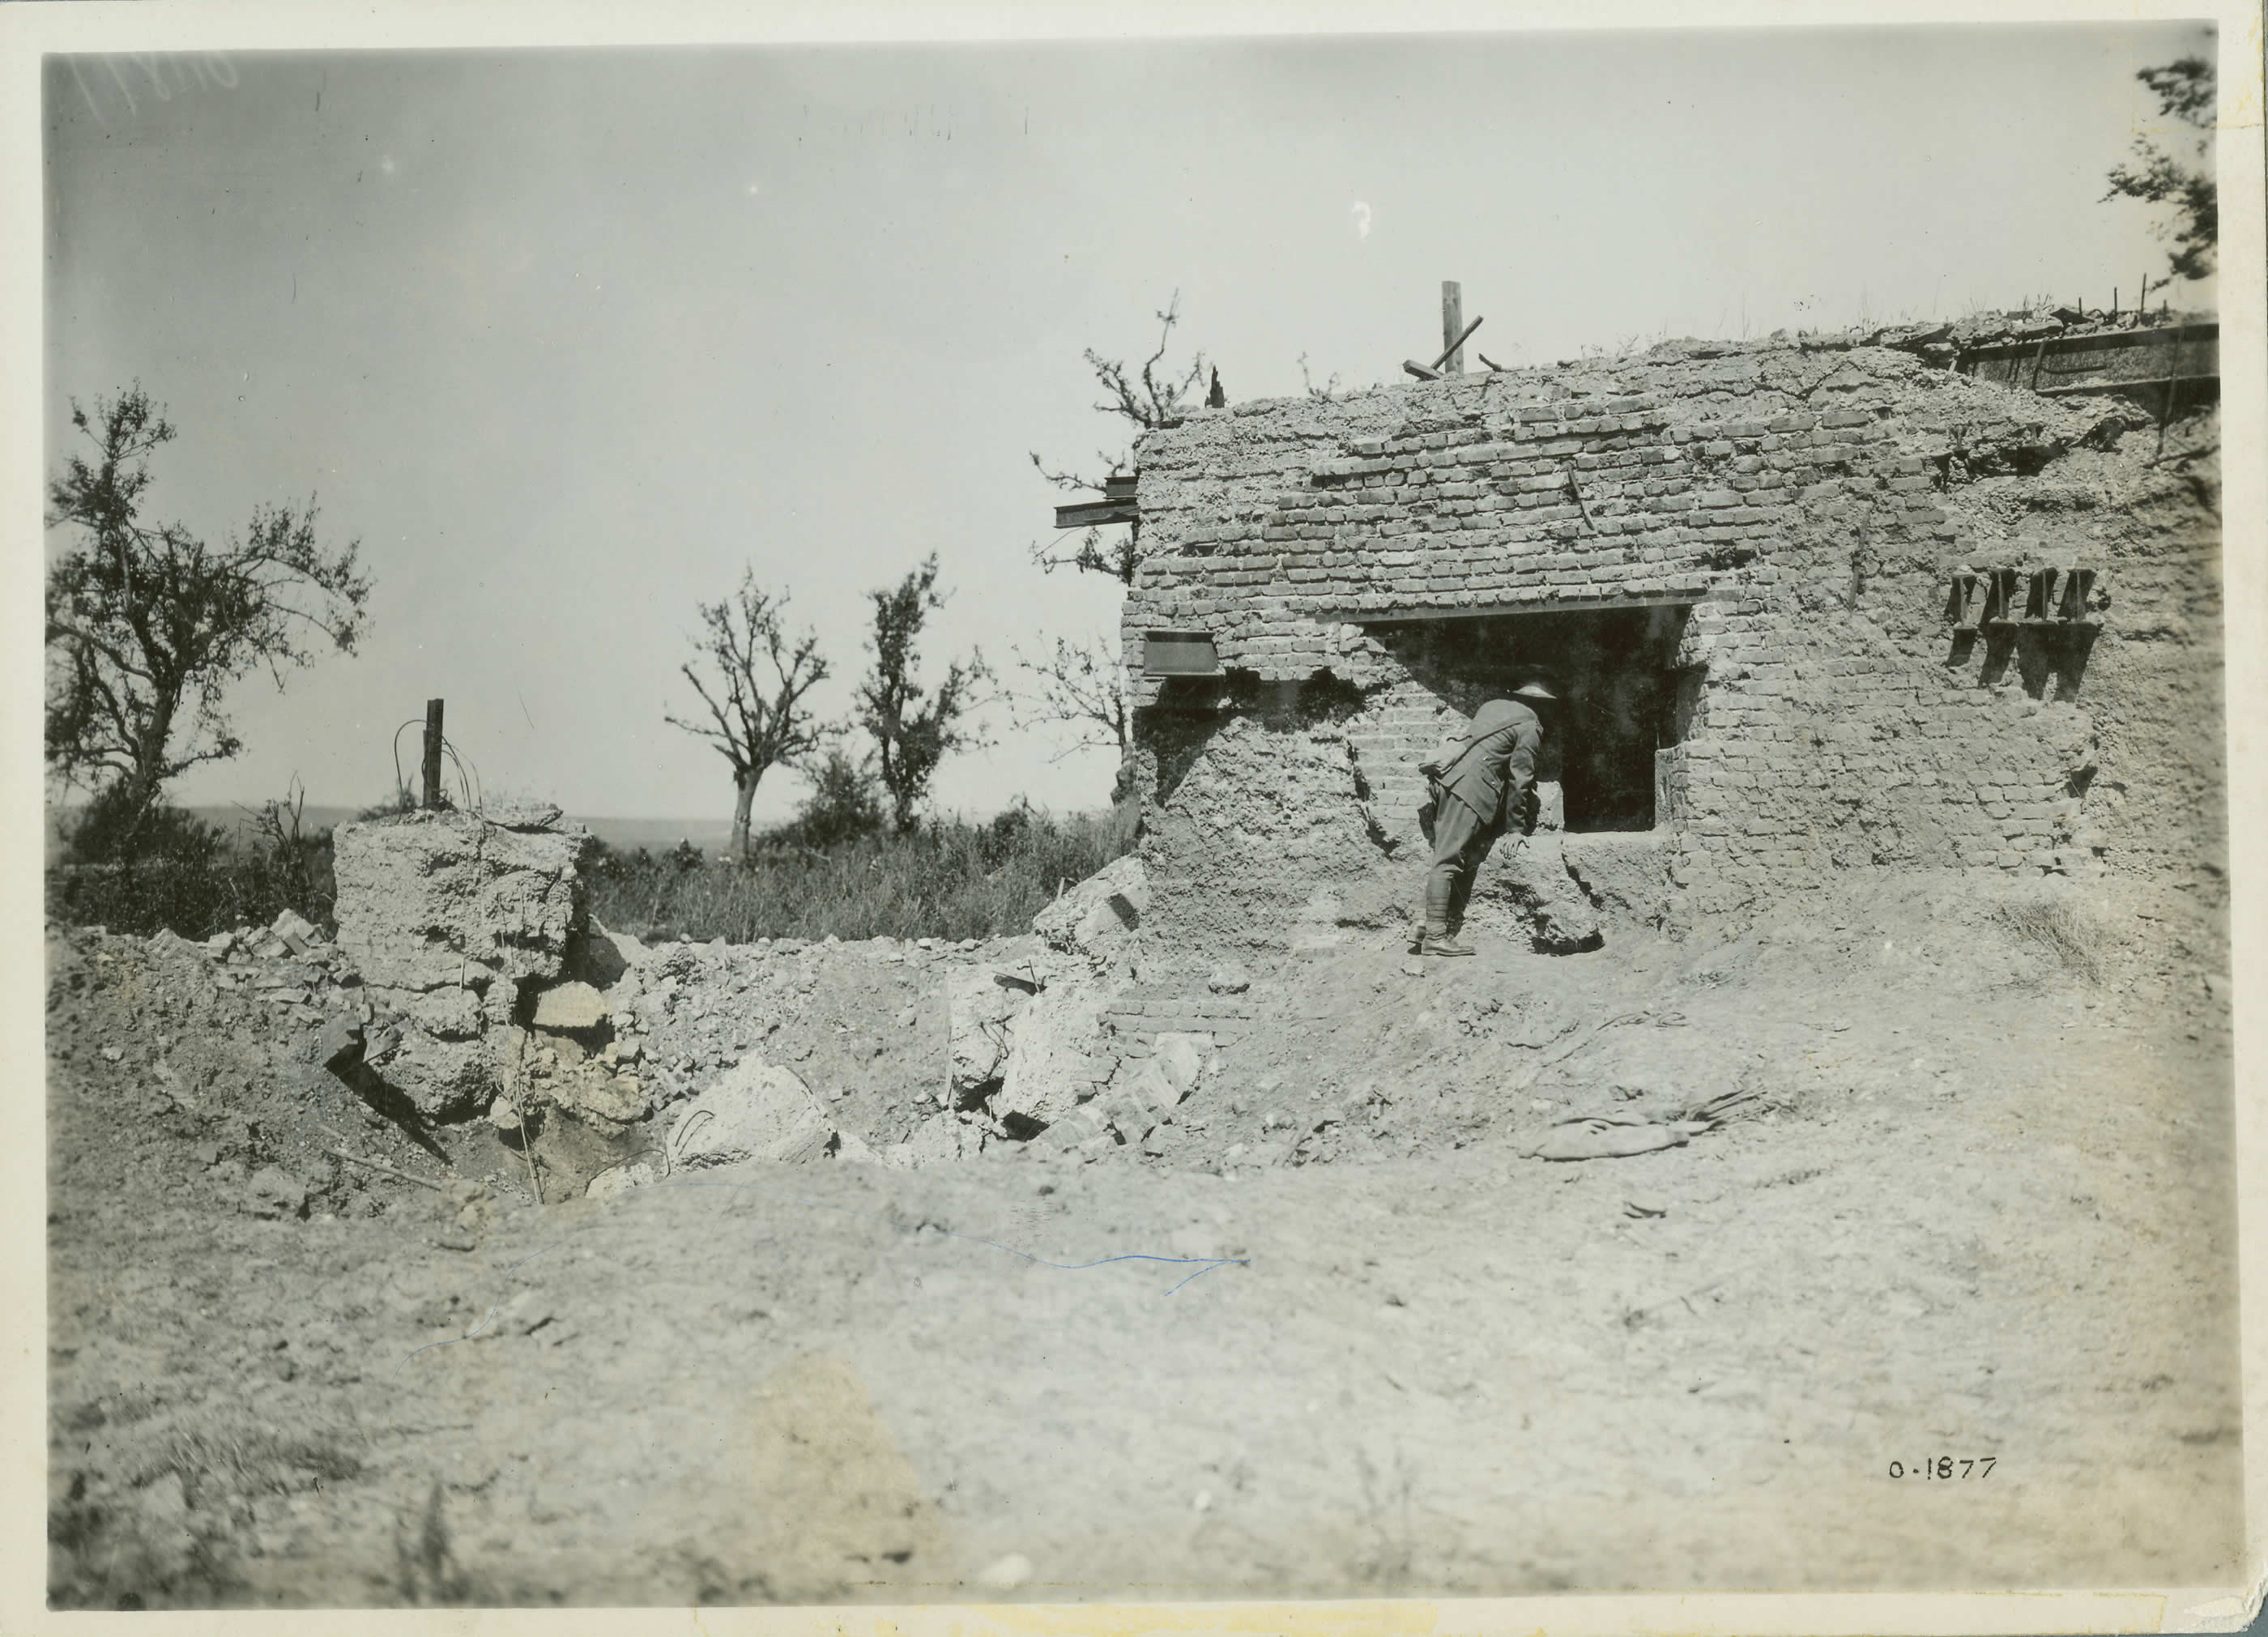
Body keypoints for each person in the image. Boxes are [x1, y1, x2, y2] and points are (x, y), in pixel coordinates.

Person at [1415, 680, 1555, 957]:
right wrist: (1516, 828)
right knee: (1448, 860)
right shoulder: (1530, 725)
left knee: (1444, 854)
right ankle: (1435, 937)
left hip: (1446, 782)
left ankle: (1424, 926)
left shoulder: (1492, 707)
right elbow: (1520, 779)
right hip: (1470, 790)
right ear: (1542, 705)